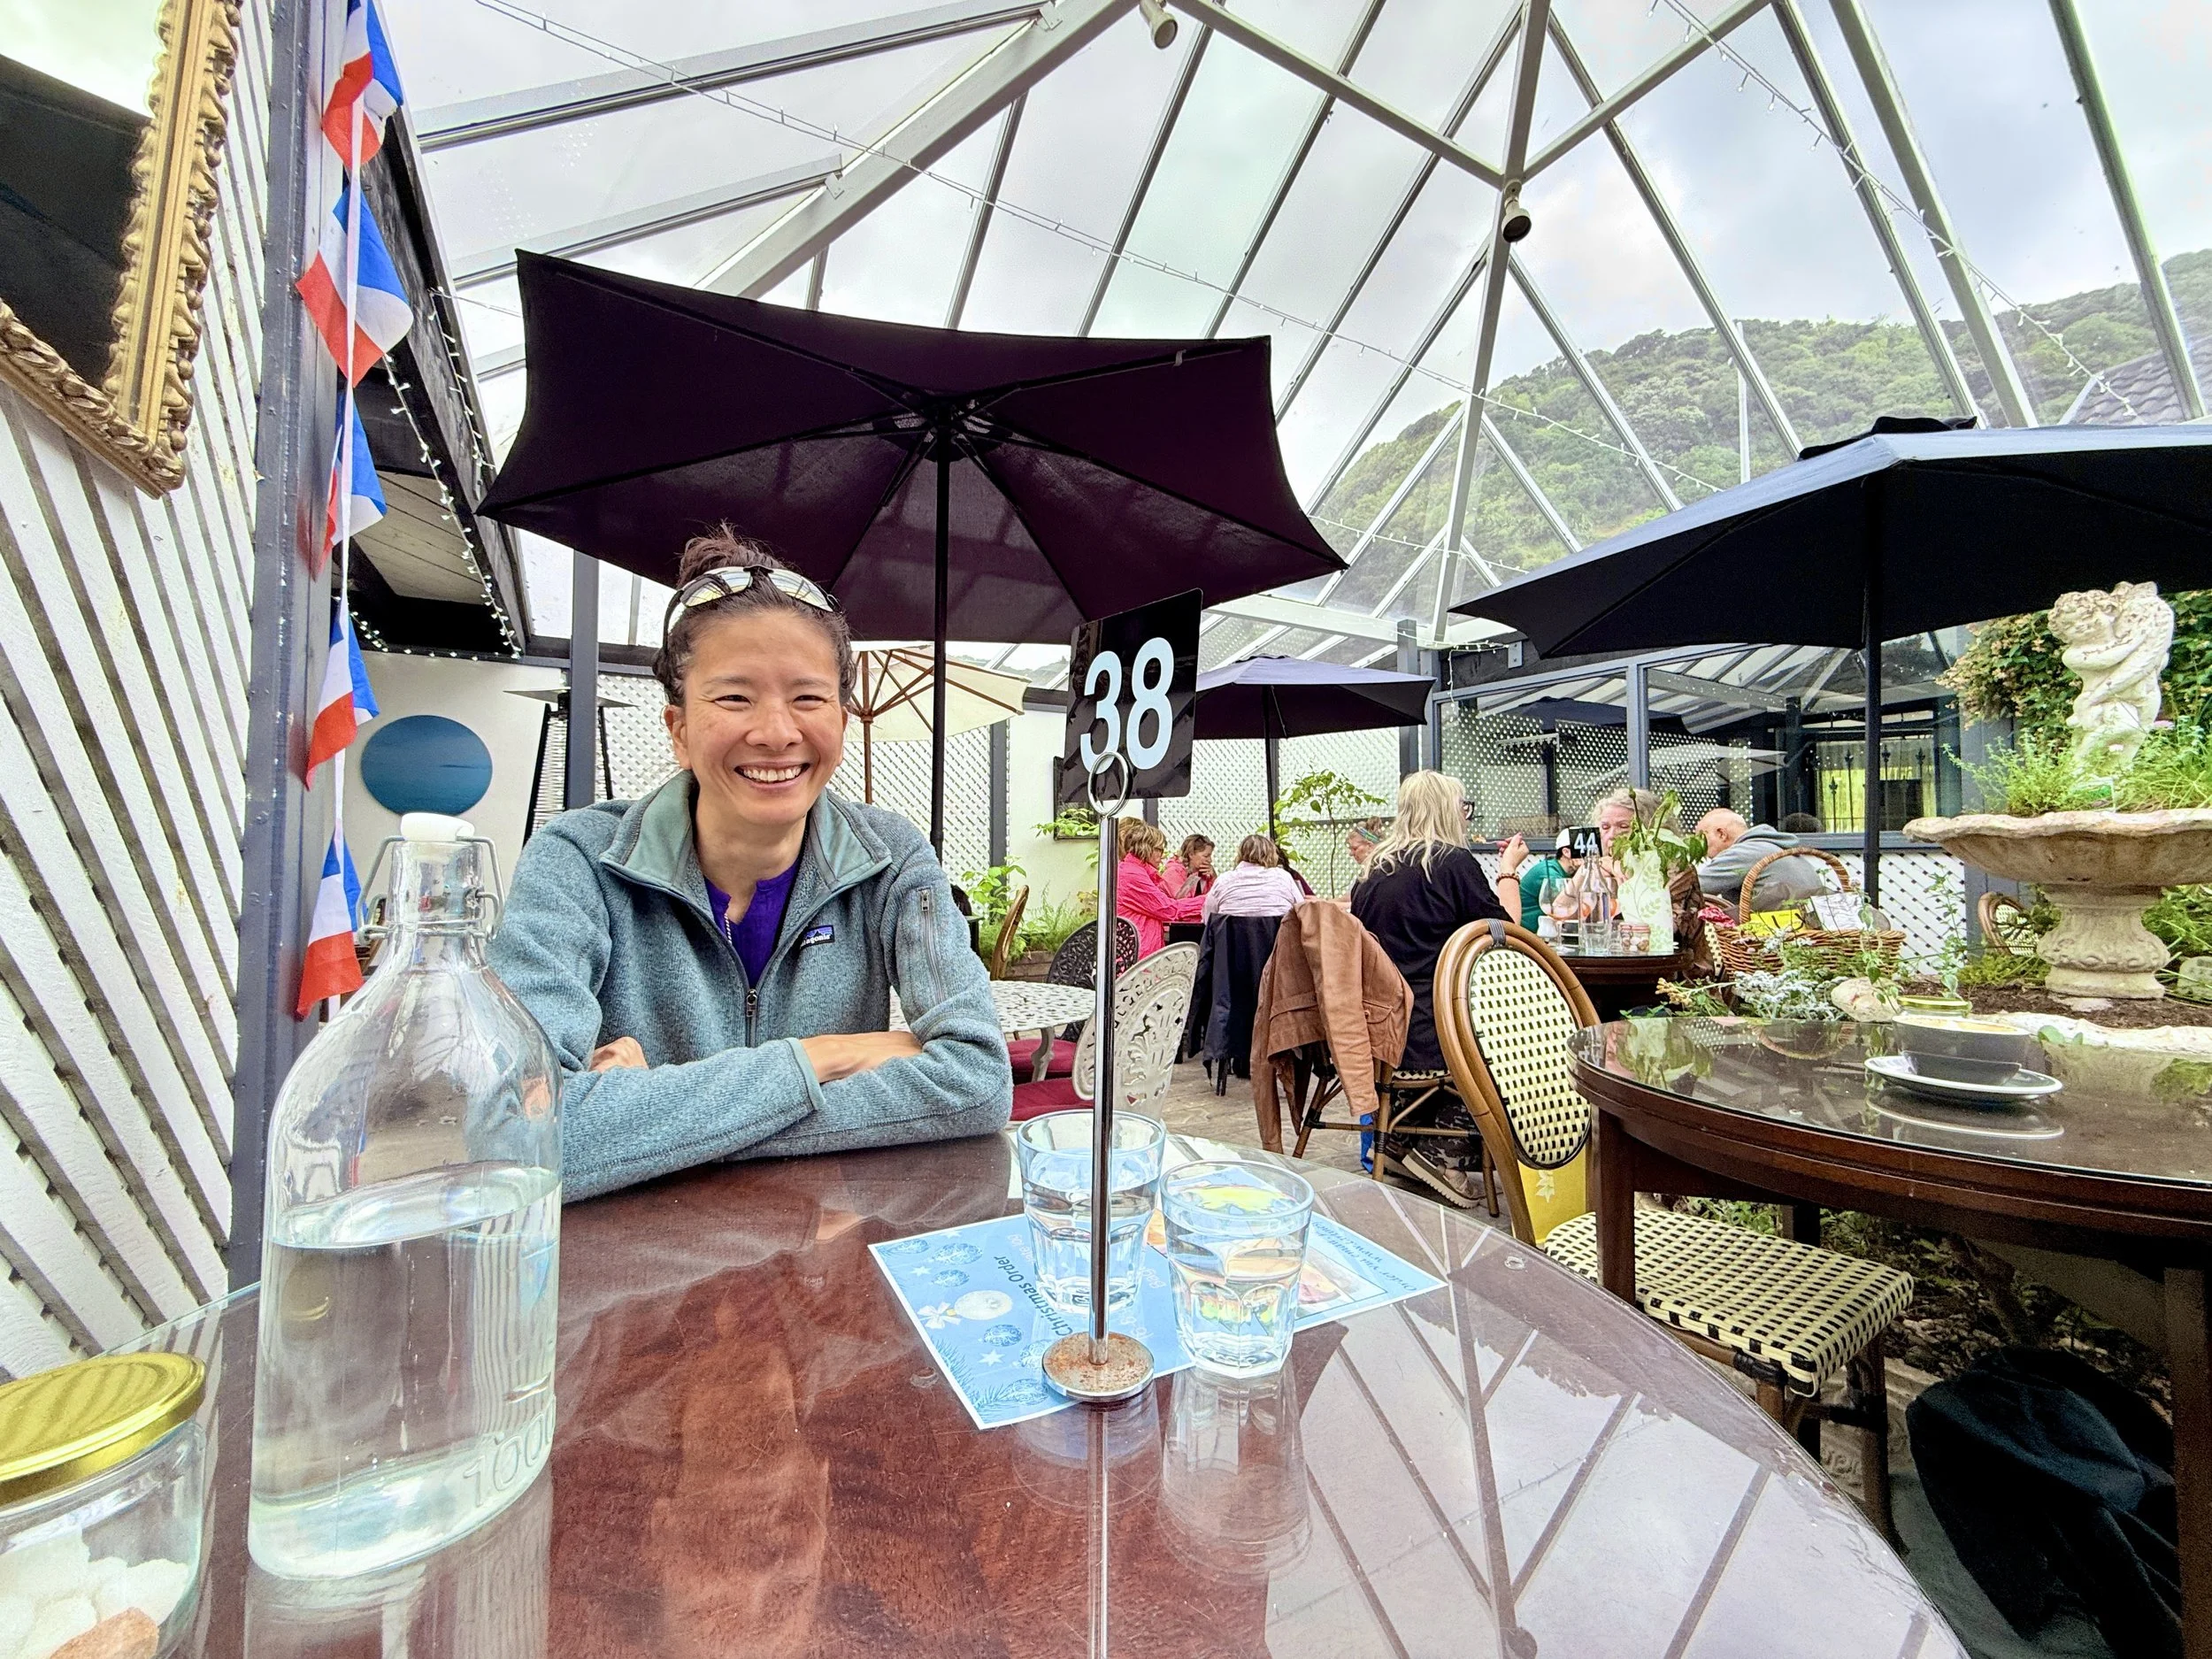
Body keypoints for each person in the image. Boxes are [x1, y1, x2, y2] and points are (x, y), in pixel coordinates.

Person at [490, 529, 1010, 1201]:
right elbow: (516, 1133)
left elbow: (979, 1079)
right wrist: (827, 1057)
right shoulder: (578, 863)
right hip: (640, 1276)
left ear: (843, 723)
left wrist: (648, 1118)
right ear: (678, 729)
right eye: (735, 697)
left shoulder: (892, 857)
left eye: (808, 697)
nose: (776, 731)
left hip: (824, 1266)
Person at [1348, 771, 1513, 1074]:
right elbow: (1507, 938)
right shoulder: (1452, 863)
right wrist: (1509, 870)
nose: (1466, 818)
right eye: (1463, 808)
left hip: (1375, 1034)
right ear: (1447, 812)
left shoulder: (1372, 870)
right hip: (1438, 1034)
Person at [1694, 809, 1832, 915]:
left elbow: (1692, 888)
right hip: (1809, 934)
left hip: (1770, 940)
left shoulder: (1743, 852)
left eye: (1701, 839)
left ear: (1721, 834)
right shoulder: (1779, 849)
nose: (1699, 849)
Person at [1113, 817, 1206, 955]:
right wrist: (1209, 900)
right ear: (1146, 848)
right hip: (1138, 959)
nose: (1163, 856)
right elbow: (1169, 909)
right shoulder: (1132, 875)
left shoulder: (1138, 872)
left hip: (1142, 953)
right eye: (1160, 850)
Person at [1203, 834, 1303, 920]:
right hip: (1277, 941)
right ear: (1270, 854)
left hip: (1232, 942)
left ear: (1240, 854)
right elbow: (1302, 913)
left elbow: (1208, 918)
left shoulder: (1223, 880)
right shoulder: (1283, 877)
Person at [1513, 828, 1579, 933]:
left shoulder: (1570, 873)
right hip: (1526, 936)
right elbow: (1562, 908)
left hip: (1545, 935)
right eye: (1581, 849)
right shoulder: (1548, 872)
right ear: (1566, 852)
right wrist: (1585, 869)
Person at [1162, 834, 1217, 899]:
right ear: (1191, 854)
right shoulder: (1173, 872)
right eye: (1206, 856)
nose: (1210, 860)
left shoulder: (1204, 875)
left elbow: (1216, 899)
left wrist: (1214, 878)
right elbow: (1181, 902)